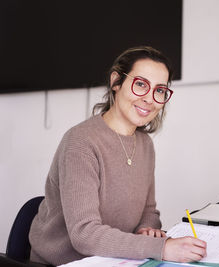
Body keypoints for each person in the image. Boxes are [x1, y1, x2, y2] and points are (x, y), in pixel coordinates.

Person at [29, 46, 207, 266]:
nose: (150, 99)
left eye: (159, 90)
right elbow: (84, 234)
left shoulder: (144, 144)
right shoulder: (81, 143)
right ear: (116, 82)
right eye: (141, 84)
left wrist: (147, 228)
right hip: (67, 262)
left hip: (117, 259)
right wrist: (161, 248)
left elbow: (148, 211)